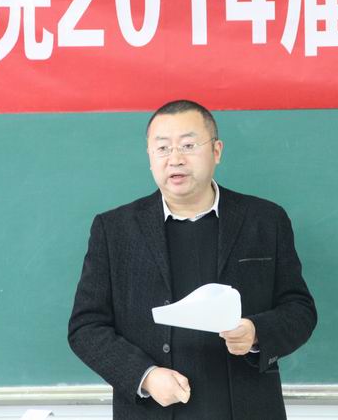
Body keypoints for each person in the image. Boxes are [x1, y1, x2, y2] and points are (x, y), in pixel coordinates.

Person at [68, 100, 317, 419]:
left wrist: (257, 332)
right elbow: (86, 327)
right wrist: (145, 376)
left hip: (248, 408)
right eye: (162, 148)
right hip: (153, 409)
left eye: (188, 145)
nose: (175, 159)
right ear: (149, 157)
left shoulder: (265, 220)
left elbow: (299, 309)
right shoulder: (114, 229)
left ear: (216, 151)